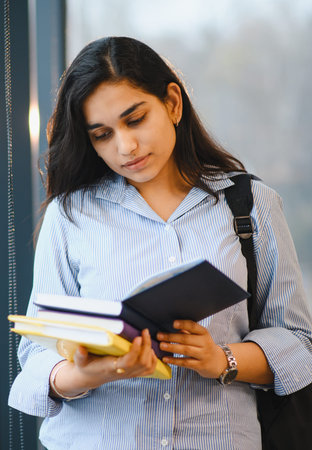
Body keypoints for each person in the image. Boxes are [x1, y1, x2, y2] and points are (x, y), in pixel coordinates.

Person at [8, 36, 312, 450]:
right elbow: (35, 357)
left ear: (172, 102)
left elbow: (298, 341)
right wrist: (88, 373)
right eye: (101, 134)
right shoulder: (71, 215)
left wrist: (221, 359)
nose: (125, 147)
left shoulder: (250, 204)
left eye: (135, 119)